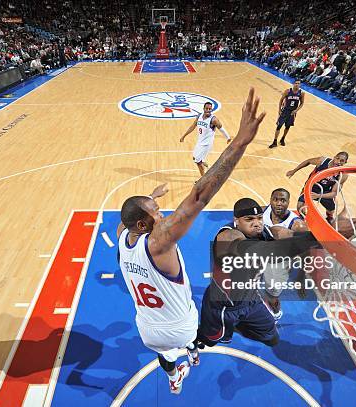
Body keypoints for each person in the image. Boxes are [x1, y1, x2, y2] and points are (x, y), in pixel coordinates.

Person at [118, 88, 266, 395]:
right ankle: (193, 352)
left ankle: (175, 375)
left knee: (166, 355)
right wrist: (240, 141)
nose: (162, 214)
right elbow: (199, 195)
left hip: (147, 331)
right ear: (145, 224)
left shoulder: (123, 237)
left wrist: (150, 198)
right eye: (156, 212)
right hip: (181, 327)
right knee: (190, 336)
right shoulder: (158, 241)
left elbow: (127, 216)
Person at [198, 198, 280, 347]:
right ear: (236, 220)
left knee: (272, 339)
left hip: (251, 299)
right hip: (223, 306)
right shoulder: (227, 235)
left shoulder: (266, 233)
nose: (256, 223)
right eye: (249, 219)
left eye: (260, 218)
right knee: (209, 341)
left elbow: (284, 232)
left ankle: (237, 327)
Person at [260, 188, 309, 319]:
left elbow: (305, 253)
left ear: (288, 202)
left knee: (273, 294)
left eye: (283, 200)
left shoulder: (298, 225)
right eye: (275, 199)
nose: (279, 203)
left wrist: (301, 276)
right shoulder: (263, 211)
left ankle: (275, 311)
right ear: (271, 200)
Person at [286, 152, 349, 221]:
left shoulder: (343, 175)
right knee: (300, 207)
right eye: (337, 158)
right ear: (334, 157)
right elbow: (308, 161)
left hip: (325, 193)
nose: (338, 162)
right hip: (310, 188)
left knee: (330, 210)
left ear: (345, 162)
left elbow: (334, 193)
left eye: (342, 161)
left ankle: (329, 217)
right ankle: (303, 217)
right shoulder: (322, 161)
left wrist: (318, 195)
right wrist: (294, 170)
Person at [180, 102, 232, 177]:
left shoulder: (214, 120)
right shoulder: (199, 116)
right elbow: (193, 126)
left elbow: (221, 128)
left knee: (198, 162)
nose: (208, 110)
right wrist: (184, 136)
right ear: (203, 109)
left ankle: (203, 179)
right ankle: (207, 166)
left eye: (210, 109)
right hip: (200, 142)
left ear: (211, 110)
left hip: (207, 144)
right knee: (195, 158)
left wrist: (228, 137)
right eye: (206, 108)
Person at [269, 79, 304, 148]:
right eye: (296, 83)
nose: (297, 84)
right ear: (293, 84)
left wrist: (296, 110)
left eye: (298, 83)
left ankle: (282, 139)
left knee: (287, 127)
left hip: (292, 113)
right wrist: (279, 110)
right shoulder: (288, 91)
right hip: (285, 111)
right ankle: (275, 141)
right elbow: (281, 100)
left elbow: (302, 103)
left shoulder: (301, 93)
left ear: (300, 85)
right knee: (279, 126)